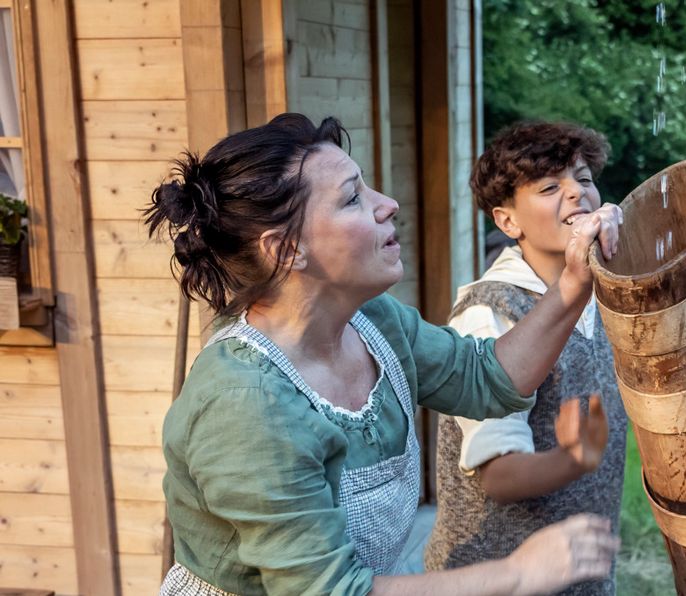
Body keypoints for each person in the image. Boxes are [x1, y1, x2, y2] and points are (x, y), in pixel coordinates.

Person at [146, 113, 622, 595]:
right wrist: (518, 574)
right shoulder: (245, 404)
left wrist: (573, 282)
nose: (387, 204)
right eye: (353, 197)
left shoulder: (374, 322)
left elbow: (489, 377)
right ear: (286, 249)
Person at [424, 121, 627, 596]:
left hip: (579, 571)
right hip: (496, 577)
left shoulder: (601, 290)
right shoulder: (489, 313)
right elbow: (499, 473)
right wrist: (573, 460)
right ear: (508, 221)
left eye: (585, 179)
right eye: (550, 186)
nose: (577, 194)